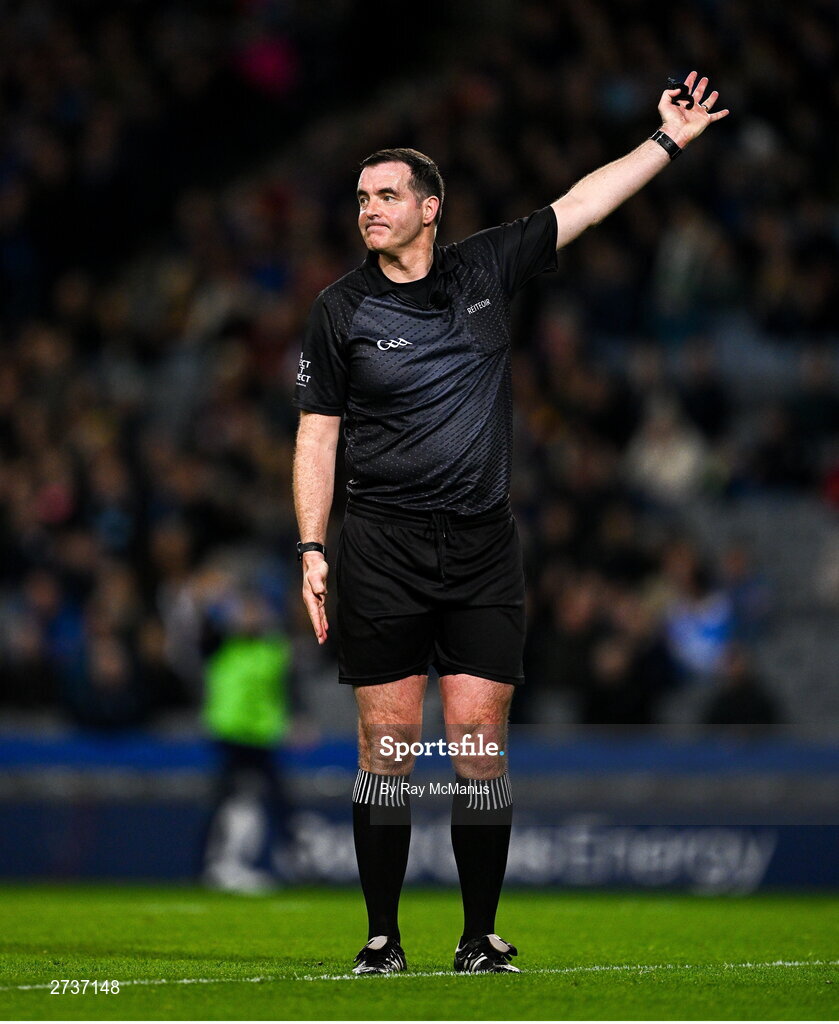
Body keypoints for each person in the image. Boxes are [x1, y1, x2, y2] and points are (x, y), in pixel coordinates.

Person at [292, 72, 728, 974]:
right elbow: (316, 434)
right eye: (361, 197)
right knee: (388, 748)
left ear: (429, 208)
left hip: (482, 547)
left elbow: (584, 203)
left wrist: (669, 142)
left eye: (385, 196)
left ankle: (478, 937)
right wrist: (309, 545)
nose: (368, 210)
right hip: (380, 547)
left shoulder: (485, 267)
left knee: (478, 748)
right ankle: (381, 939)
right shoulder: (340, 310)